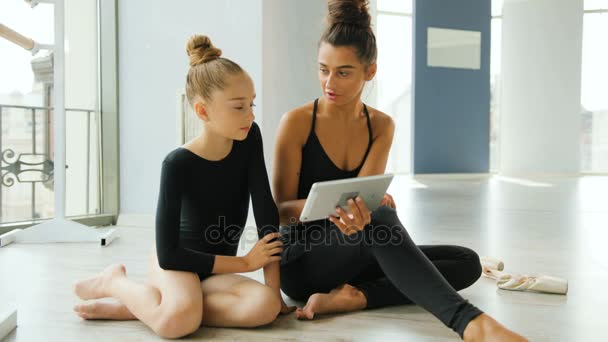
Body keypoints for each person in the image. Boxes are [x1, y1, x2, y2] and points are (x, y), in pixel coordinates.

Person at [272, 1, 527, 341]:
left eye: (343, 72)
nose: (329, 82)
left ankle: (358, 297)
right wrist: (340, 208)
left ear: (370, 72)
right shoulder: (297, 123)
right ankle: (471, 324)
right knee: (379, 220)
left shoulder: (381, 126)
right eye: (323, 69)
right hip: (301, 261)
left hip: (353, 250)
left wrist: (363, 209)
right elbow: (279, 211)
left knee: (466, 262)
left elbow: (364, 201)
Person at [73, 34, 294, 339]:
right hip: (178, 263)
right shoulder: (176, 164)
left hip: (214, 271)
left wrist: (276, 294)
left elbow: (264, 209)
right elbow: (169, 255)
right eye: (239, 107)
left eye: (251, 104)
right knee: (177, 324)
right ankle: (115, 283)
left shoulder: (249, 137)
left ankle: (146, 306)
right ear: (203, 111)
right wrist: (244, 262)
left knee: (265, 307)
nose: (251, 115)